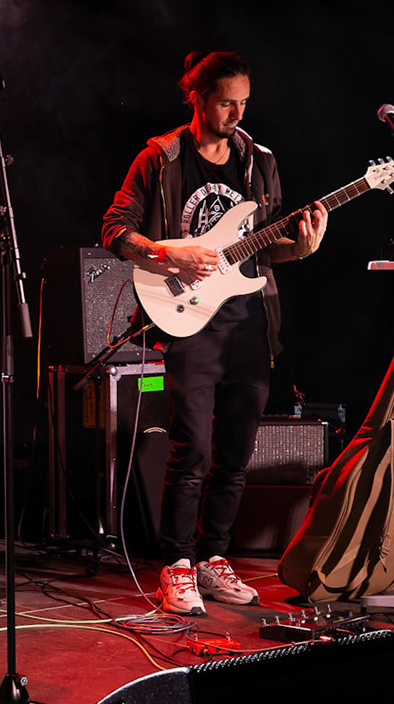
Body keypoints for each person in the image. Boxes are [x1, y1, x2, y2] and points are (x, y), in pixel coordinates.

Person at [101, 51, 327, 614]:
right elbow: (114, 228)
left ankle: (212, 558)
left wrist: (301, 247)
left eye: (244, 101)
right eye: (227, 101)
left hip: (249, 321)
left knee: (236, 450)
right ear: (196, 97)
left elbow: (267, 242)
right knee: (192, 445)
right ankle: (176, 564)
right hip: (187, 321)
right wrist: (164, 257)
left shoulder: (258, 161)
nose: (237, 112)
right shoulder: (160, 158)